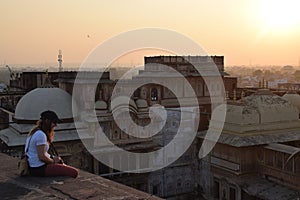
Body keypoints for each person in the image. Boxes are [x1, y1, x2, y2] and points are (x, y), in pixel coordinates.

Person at [25, 110, 78, 178]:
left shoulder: (35, 132)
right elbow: (42, 157)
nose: (55, 125)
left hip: (33, 166)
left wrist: (53, 158)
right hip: (38, 168)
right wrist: (53, 161)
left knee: (60, 162)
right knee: (74, 172)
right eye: (54, 122)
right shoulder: (40, 135)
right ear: (47, 121)